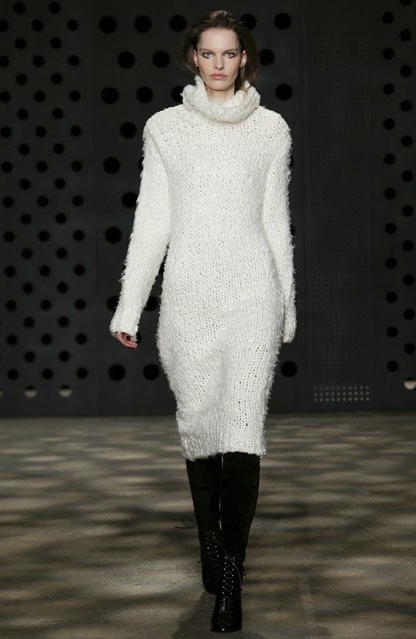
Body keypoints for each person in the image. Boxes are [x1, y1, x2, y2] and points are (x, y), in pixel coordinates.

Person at [109, 9, 296, 633]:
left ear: (245, 59)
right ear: (194, 58)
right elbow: (152, 222)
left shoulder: (271, 129)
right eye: (208, 53)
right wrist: (130, 305)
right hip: (189, 298)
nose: (219, 64)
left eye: (229, 53)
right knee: (199, 430)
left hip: (253, 297)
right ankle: (209, 544)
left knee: (242, 432)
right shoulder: (165, 129)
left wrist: (287, 304)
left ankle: (231, 576)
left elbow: (276, 221)